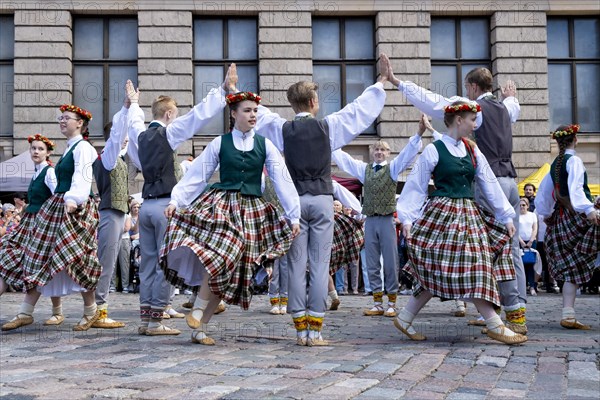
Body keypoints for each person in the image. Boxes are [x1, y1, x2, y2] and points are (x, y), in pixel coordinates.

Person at [255, 53, 392, 346]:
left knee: (295, 264)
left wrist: (231, 91)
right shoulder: (328, 127)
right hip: (321, 200)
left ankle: (299, 327)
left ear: (293, 105)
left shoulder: (283, 129)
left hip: (294, 204)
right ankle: (315, 329)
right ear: (314, 103)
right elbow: (358, 112)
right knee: (319, 263)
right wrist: (380, 83)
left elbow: (260, 115)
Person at [392, 67, 529, 335]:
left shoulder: (471, 147)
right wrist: (406, 218)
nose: (475, 123)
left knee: (464, 264)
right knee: (448, 265)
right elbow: (416, 186)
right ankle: (497, 322)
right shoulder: (435, 149)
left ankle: (407, 316)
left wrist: (505, 216)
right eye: (470, 119)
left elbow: (488, 182)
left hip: (468, 215)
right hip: (443, 215)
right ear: (457, 120)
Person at [160, 89, 300, 346]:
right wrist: (176, 200)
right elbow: (197, 175)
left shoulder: (265, 144)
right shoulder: (220, 143)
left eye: (255, 111)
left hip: (252, 210)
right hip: (223, 206)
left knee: (232, 269)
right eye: (247, 110)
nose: (253, 115)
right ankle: (199, 307)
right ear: (234, 114)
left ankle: (200, 327)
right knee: (222, 255)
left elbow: (282, 180)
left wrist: (294, 216)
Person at [126, 66, 237, 336]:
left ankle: (146, 319)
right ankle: (156, 320)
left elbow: (132, 123)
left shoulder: (139, 135)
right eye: (174, 115)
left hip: (146, 205)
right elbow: (197, 117)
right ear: (169, 115)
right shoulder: (169, 133)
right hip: (165, 205)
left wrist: (133, 104)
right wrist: (222, 91)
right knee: (166, 263)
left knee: (149, 263)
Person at [3, 105, 102, 332]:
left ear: (80, 123)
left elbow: (83, 174)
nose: (62, 121)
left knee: (77, 257)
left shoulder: (83, 147)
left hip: (72, 208)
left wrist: (74, 199)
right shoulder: (70, 147)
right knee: (41, 258)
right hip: (58, 207)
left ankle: (91, 310)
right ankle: (25, 312)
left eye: (67, 118)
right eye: (61, 118)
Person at [332, 114, 427, 318]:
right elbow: (345, 160)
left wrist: (418, 134)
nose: (379, 153)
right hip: (370, 220)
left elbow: (407, 156)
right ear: (372, 152)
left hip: (386, 219)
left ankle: (392, 300)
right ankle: (377, 301)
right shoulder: (364, 170)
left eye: (383, 150)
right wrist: (331, 142)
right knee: (372, 260)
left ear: (388, 153)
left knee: (391, 260)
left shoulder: (392, 169)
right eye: (376, 149)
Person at [536, 124, 599, 330]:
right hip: (579, 218)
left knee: (573, 268)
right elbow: (576, 189)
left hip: (561, 220)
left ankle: (568, 315)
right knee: (577, 264)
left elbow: (543, 194)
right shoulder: (574, 161)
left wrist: (545, 214)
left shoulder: (555, 164)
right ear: (576, 139)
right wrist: (588, 210)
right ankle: (568, 315)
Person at [0, 134, 64, 328]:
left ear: (48, 152)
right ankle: (54, 312)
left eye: (40, 149)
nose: (36, 151)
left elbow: (58, 198)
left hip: (43, 224)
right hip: (30, 224)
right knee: (20, 259)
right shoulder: (36, 173)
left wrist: (53, 225)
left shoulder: (49, 173)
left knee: (44, 266)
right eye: (33, 148)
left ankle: (54, 312)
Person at [91, 92, 131, 329]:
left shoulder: (120, 158)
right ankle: (99, 310)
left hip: (118, 213)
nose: (126, 139)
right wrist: (125, 109)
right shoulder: (107, 156)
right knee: (105, 262)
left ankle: (99, 308)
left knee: (110, 261)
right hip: (109, 212)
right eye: (122, 136)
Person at [328, 183, 364, 311]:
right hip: (325, 219)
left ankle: (323, 298)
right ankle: (334, 297)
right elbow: (343, 192)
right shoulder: (327, 179)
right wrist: (359, 213)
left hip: (316, 219)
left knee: (316, 265)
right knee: (322, 267)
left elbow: (341, 192)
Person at [518, 197, 538, 296]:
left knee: (530, 264)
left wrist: (531, 240)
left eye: (523, 205)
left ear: (527, 206)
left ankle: (532, 286)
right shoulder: (516, 216)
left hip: (531, 242)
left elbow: (535, 228)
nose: (522, 207)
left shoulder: (532, 215)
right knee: (520, 265)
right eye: (520, 205)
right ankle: (522, 286)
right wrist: (521, 242)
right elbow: (515, 230)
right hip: (519, 242)